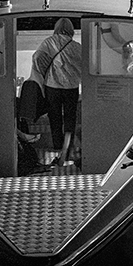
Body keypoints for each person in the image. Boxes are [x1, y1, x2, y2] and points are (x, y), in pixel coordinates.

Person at [33, 18, 82, 166]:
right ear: (71, 29)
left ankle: (57, 147)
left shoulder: (49, 42)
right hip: (71, 86)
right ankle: (67, 151)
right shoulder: (76, 46)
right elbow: (85, 63)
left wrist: (43, 71)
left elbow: (37, 57)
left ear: (57, 28)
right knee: (70, 118)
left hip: (52, 86)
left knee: (54, 117)